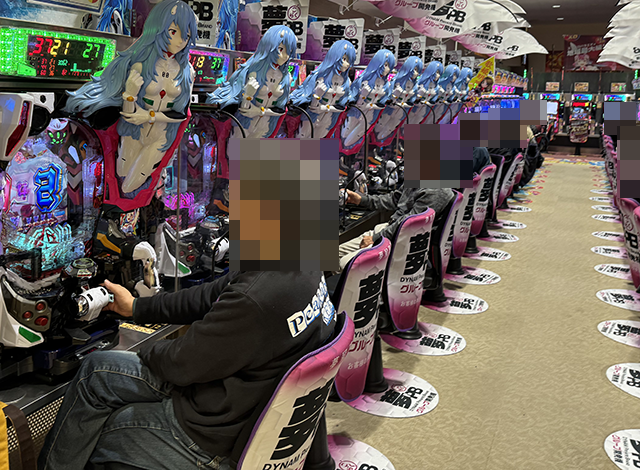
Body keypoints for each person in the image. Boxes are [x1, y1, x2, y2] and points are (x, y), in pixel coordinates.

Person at [38, 272, 336, 470]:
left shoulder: (256, 297)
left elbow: (181, 363)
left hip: (213, 438)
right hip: (249, 401)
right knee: (96, 370)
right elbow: (211, 294)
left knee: (102, 433)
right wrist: (138, 307)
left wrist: (147, 348)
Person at [338, 186, 455, 270]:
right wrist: (361, 200)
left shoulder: (436, 190)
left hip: (401, 241)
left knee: (345, 264)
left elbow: (408, 224)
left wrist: (376, 238)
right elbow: (394, 199)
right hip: (389, 230)